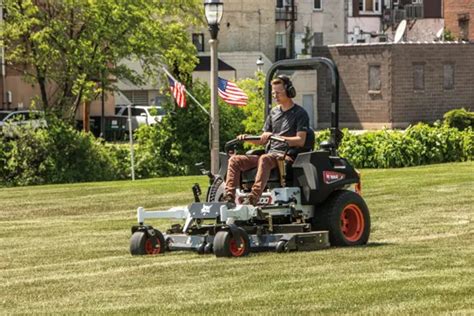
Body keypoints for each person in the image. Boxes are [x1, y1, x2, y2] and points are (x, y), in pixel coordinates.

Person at [224, 75, 311, 206]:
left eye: (278, 92)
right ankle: (229, 198)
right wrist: (247, 138)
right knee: (234, 160)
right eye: (273, 93)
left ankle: (253, 198)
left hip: (286, 156)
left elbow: (300, 140)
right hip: (270, 155)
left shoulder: (300, 113)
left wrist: (276, 137)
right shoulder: (273, 113)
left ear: (289, 91)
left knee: (265, 158)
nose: (275, 95)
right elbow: (263, 139)